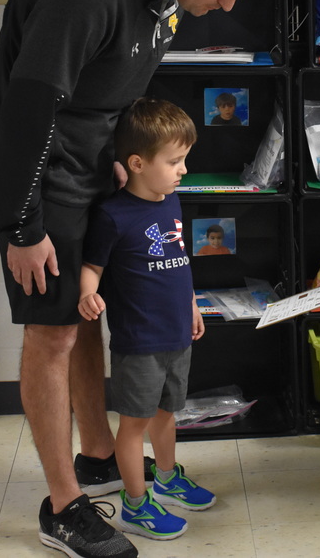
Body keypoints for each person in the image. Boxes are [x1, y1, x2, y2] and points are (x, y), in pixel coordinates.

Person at [0, 0, 272, 558]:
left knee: (87, 309)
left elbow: (115, 84)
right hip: (39, 168)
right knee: (51, 331)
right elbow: (27, 109)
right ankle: (63, 508)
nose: (228, 6)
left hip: (94, 160)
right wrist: (22, 225)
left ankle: (98, 456)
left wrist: (121, 159)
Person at [77, 97, 213, 541]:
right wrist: (88, 293)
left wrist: (191, 305)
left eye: (184, 160)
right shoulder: (112, 215)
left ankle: (168, 478)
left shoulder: (170, 202)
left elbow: (180, 263)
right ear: (137, 163)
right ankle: (136, 505)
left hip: (177, 333)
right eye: (174, 162)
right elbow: (93, 266)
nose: (183, 170)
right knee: (134, 424)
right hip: (139, 342)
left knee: (167, 412)